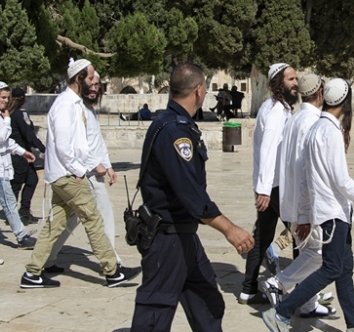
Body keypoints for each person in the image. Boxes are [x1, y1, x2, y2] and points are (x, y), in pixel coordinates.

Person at [262, 78, 354, 332]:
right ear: (345, 103)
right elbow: (342, 181)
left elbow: (304, 179)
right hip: (333, 214)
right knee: (332, 268)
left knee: (344, 269)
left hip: (334, 213)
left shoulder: (317, 128)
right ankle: (282, 311)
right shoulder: (329, 132)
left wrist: (302, 214)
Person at [130, 63, 254, 332]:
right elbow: (190, 193)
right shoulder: (174, 130)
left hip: (184, 236)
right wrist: (229, 229)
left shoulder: (177, 124)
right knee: (153, 317)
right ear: (198, 90)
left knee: (208, 302)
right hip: (167, 238)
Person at [22, 59, 137, 288]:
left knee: (56, 225)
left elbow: (84, 142)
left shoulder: (74, 104)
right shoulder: (65, 105)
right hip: (68, 175)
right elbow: (65, 147)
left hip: (65, 173)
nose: (95, 82)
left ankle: (32, 273)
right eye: (90, 77)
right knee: (93, 220)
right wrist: (78, 171)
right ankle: (112, 272)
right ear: (78, 79)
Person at [261, 73, 336, 318]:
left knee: (307, 252)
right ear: (321, 93)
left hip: (291, 200)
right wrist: (307, 212)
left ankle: (307, 303)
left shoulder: (294, 118)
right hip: (307, 205)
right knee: (320, 255)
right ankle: (279, 282)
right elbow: (308, 170)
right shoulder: (313, 122)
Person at [42, 69, 128, 273]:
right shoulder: (74, 108)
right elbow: (76, 145)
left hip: (92, 170)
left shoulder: (90, 110)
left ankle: (47, 258)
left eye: (98, 85)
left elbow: (96, 141)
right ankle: (112, 262)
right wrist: (92, 166)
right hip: (84, 174)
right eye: (91, 84)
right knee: (102, 214)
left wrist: (107, 165)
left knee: (68, 218)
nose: (94, 89)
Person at [239, 63, 297, 304]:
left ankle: (248, 289)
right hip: (275, 186)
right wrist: (263, 189)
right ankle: (301, 291)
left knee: (262, 237)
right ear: (277, 83)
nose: (295, 83)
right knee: (302, 233)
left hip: (271, 185)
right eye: (290, 79)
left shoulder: (279, 108)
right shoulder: (275, 111)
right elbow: (268, 149)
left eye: (296, 79)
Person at [0, 83, 36, 249]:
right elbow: (0, 137)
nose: (6, 101)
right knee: (9, 202)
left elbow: (6, 142)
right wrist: (7, 120)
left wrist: (21, 151)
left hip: (2, 164)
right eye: (3, 97)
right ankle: (21, 236)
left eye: (7, 98)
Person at [8, 87, 45, 224]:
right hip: (20, 154)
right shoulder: (18, 114)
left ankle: (24, 210)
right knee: (16, 185)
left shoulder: (14, 113)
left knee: (32, 180)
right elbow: (29, 134)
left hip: (25, 154)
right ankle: (12, 214)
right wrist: (43, 148)